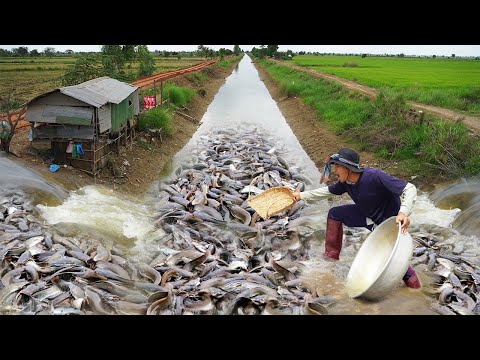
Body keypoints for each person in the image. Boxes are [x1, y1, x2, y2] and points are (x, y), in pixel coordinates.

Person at [293, 147, 421, 289]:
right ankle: (330, 257)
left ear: (349, 168)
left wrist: (403, 212)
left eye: (338, 167)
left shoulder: (374, 176)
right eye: (334, 166)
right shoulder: (346, 182)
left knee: (398, 262)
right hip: (366, 215)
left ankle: (416, 289)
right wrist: (301, 196)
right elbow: (328, 191)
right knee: (335, 214)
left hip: (388, 224)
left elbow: (409, 188)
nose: (335, 171)